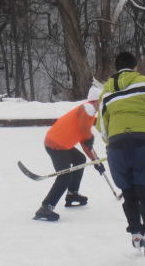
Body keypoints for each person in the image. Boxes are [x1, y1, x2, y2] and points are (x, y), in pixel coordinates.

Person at [96, 51, 145, 261]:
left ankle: (135, 233)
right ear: (135, 67)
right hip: (144, 144)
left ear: (116, 68)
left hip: (117, 148)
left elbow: (101, 126)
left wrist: (111, 141)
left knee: (128, 193)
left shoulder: (105, 93)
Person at [33, 86, 104, 222]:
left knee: (80, 159)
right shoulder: (88, 108)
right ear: (95, 101)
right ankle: (45, 208)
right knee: (65, 177)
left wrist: (96, 161)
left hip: (62, 145)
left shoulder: (88, 115)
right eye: (101, 101)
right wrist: (90, 138)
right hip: (55, 145)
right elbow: (85, 131)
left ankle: (72, 194)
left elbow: (85, 142)